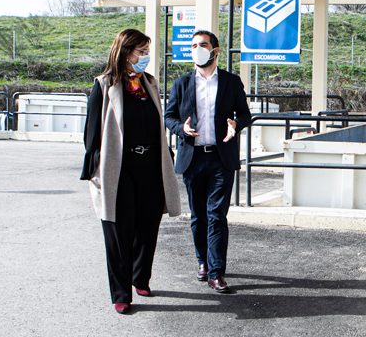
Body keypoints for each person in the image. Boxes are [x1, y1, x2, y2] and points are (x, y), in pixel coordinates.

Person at [81, 28, 181, 314]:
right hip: (118, 167)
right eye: (141, 51)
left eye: (147, 50)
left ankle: (141, 277)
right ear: (125, 52)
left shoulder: (149, 82)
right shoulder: (104, 85)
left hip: (150, 163)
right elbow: (92, 134)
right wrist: (94, 170)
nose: (146, 56)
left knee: (148, 225)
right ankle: (121, 292)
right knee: (118, 229)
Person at [164, 29, 251, 294]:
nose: (197, 49)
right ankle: (202, 261)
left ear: (214, 51)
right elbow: (169, 117)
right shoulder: (181, 84)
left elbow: (245, 114)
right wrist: (181, 129)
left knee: (217, 216)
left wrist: (236, 124)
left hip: (221, 159)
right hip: (193, 158)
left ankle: (216, 272)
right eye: (193, 45)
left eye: (202, 44)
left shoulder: (231, 82)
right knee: (198, 216)